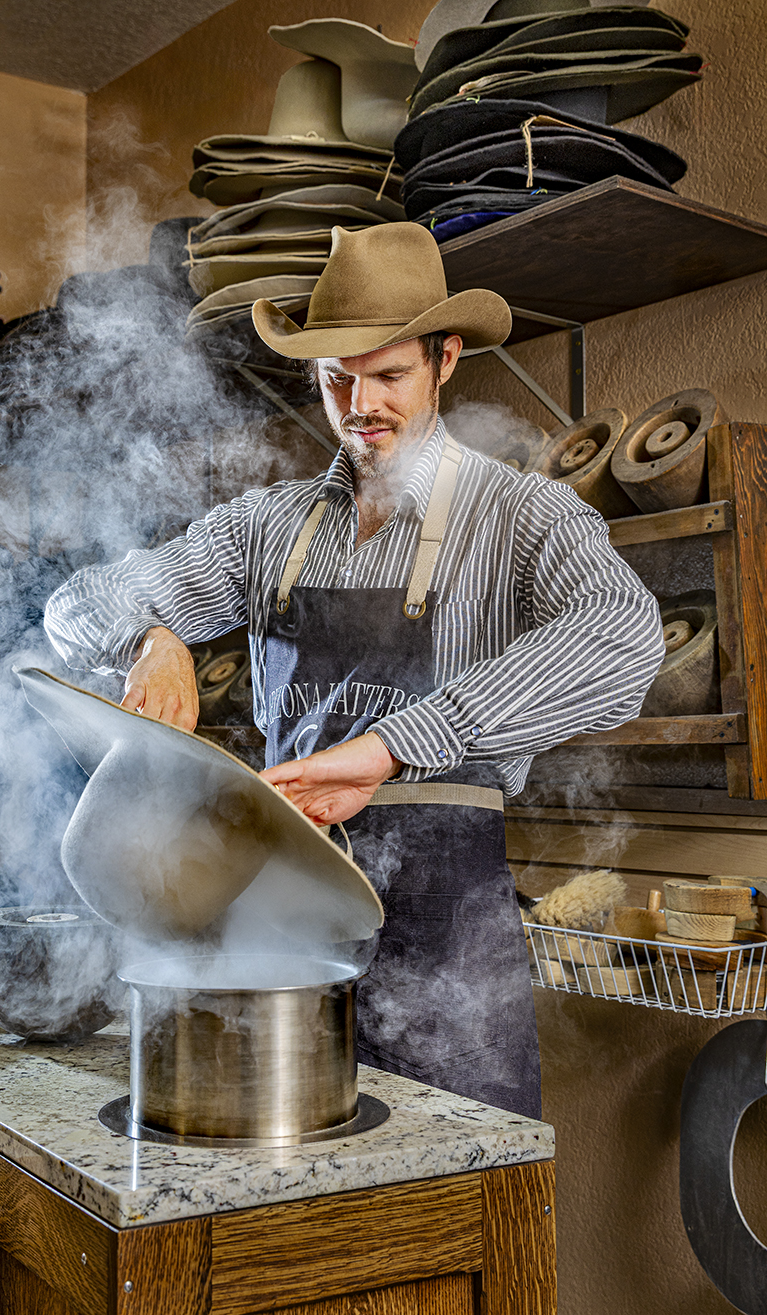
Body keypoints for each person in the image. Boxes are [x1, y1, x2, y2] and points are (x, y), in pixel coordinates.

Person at [44, 223, 664, 1119]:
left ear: (445, 359)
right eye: (337, 377)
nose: (360, 404)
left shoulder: (526, 515)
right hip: (276, 932)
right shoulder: (268, 527)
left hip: (451, 955)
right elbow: (76, 606)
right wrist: (152, 637)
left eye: (389, 375)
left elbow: (624, 637)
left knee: (455, 1216)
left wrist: (392, 747)